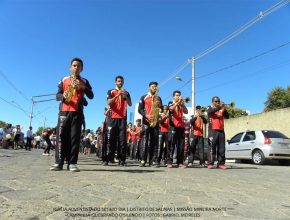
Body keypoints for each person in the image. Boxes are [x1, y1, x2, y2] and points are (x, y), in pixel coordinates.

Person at [50, 57, 94, 172]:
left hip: (77, 112)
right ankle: (58, 163)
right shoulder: (64, 79)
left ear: (82, 69)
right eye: (74, 65)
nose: (76, 68)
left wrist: (82, 86)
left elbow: (91, 95)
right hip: (64, 111)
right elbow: (57, 96)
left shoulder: (85, 81)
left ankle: (72, 163)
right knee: (61, 137)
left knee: (74, 138)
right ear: (70, 67)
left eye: (79, 66)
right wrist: (63, 96)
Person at [103, 75, 132, 166]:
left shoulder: (126, 92)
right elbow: (108, 102)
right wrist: (117, 95)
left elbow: (130, 104)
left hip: (123, 118)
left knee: (122, 140)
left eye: (121, 81)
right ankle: (108, 159)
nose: (120, 82)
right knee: (111, 139)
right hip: (113, 118)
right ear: (116, 82)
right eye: (119, 81)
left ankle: (122, 159)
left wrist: (125, 96)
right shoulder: (111, 91)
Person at [138, 82, 163, 167]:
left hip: (155, 122)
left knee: (154, 141)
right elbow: (139, 109)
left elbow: (162, 109)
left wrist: (160, 106)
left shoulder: (158, 98)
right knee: (145, 141)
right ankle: (143, 160)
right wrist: (146, 115)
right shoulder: (144, 97)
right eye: (153, 87)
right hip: (146, 122)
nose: (154, 88)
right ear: (149, 88)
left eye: (155, 87)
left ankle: (153, 160)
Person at [207, 96, 229, 170]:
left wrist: (224, 109)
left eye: (218, 101)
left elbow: (227, 117)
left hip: (221, 130)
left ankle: (221, 163)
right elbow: (209, 112)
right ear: (212, 102)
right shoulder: (209, 108)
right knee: (212, 148)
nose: (217, 103)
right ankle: (210, 163)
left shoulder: (221, 109)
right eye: (216, 101)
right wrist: (219, 107)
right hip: (212, 130)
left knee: (221, 148)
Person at [168, 90, 188, 168]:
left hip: (181, 127)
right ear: (173, 96)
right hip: (173, 127)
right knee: (172, 145)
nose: (178, 96)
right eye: (177, 95)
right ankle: (169, 161)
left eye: (179, 95)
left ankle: (180, 162)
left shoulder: (181, 105)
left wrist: (182, 104)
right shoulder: (171, 103)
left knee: (181, 146)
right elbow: (171, 109)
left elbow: (186, 112)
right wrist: (177, 102)